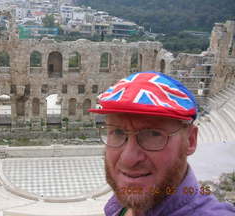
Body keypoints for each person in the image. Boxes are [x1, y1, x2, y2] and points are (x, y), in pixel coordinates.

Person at [89, 71, 235, 216]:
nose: (128, 159)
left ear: (190, 140)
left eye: (153, 134)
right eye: (118, 132)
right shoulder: (119, 204)